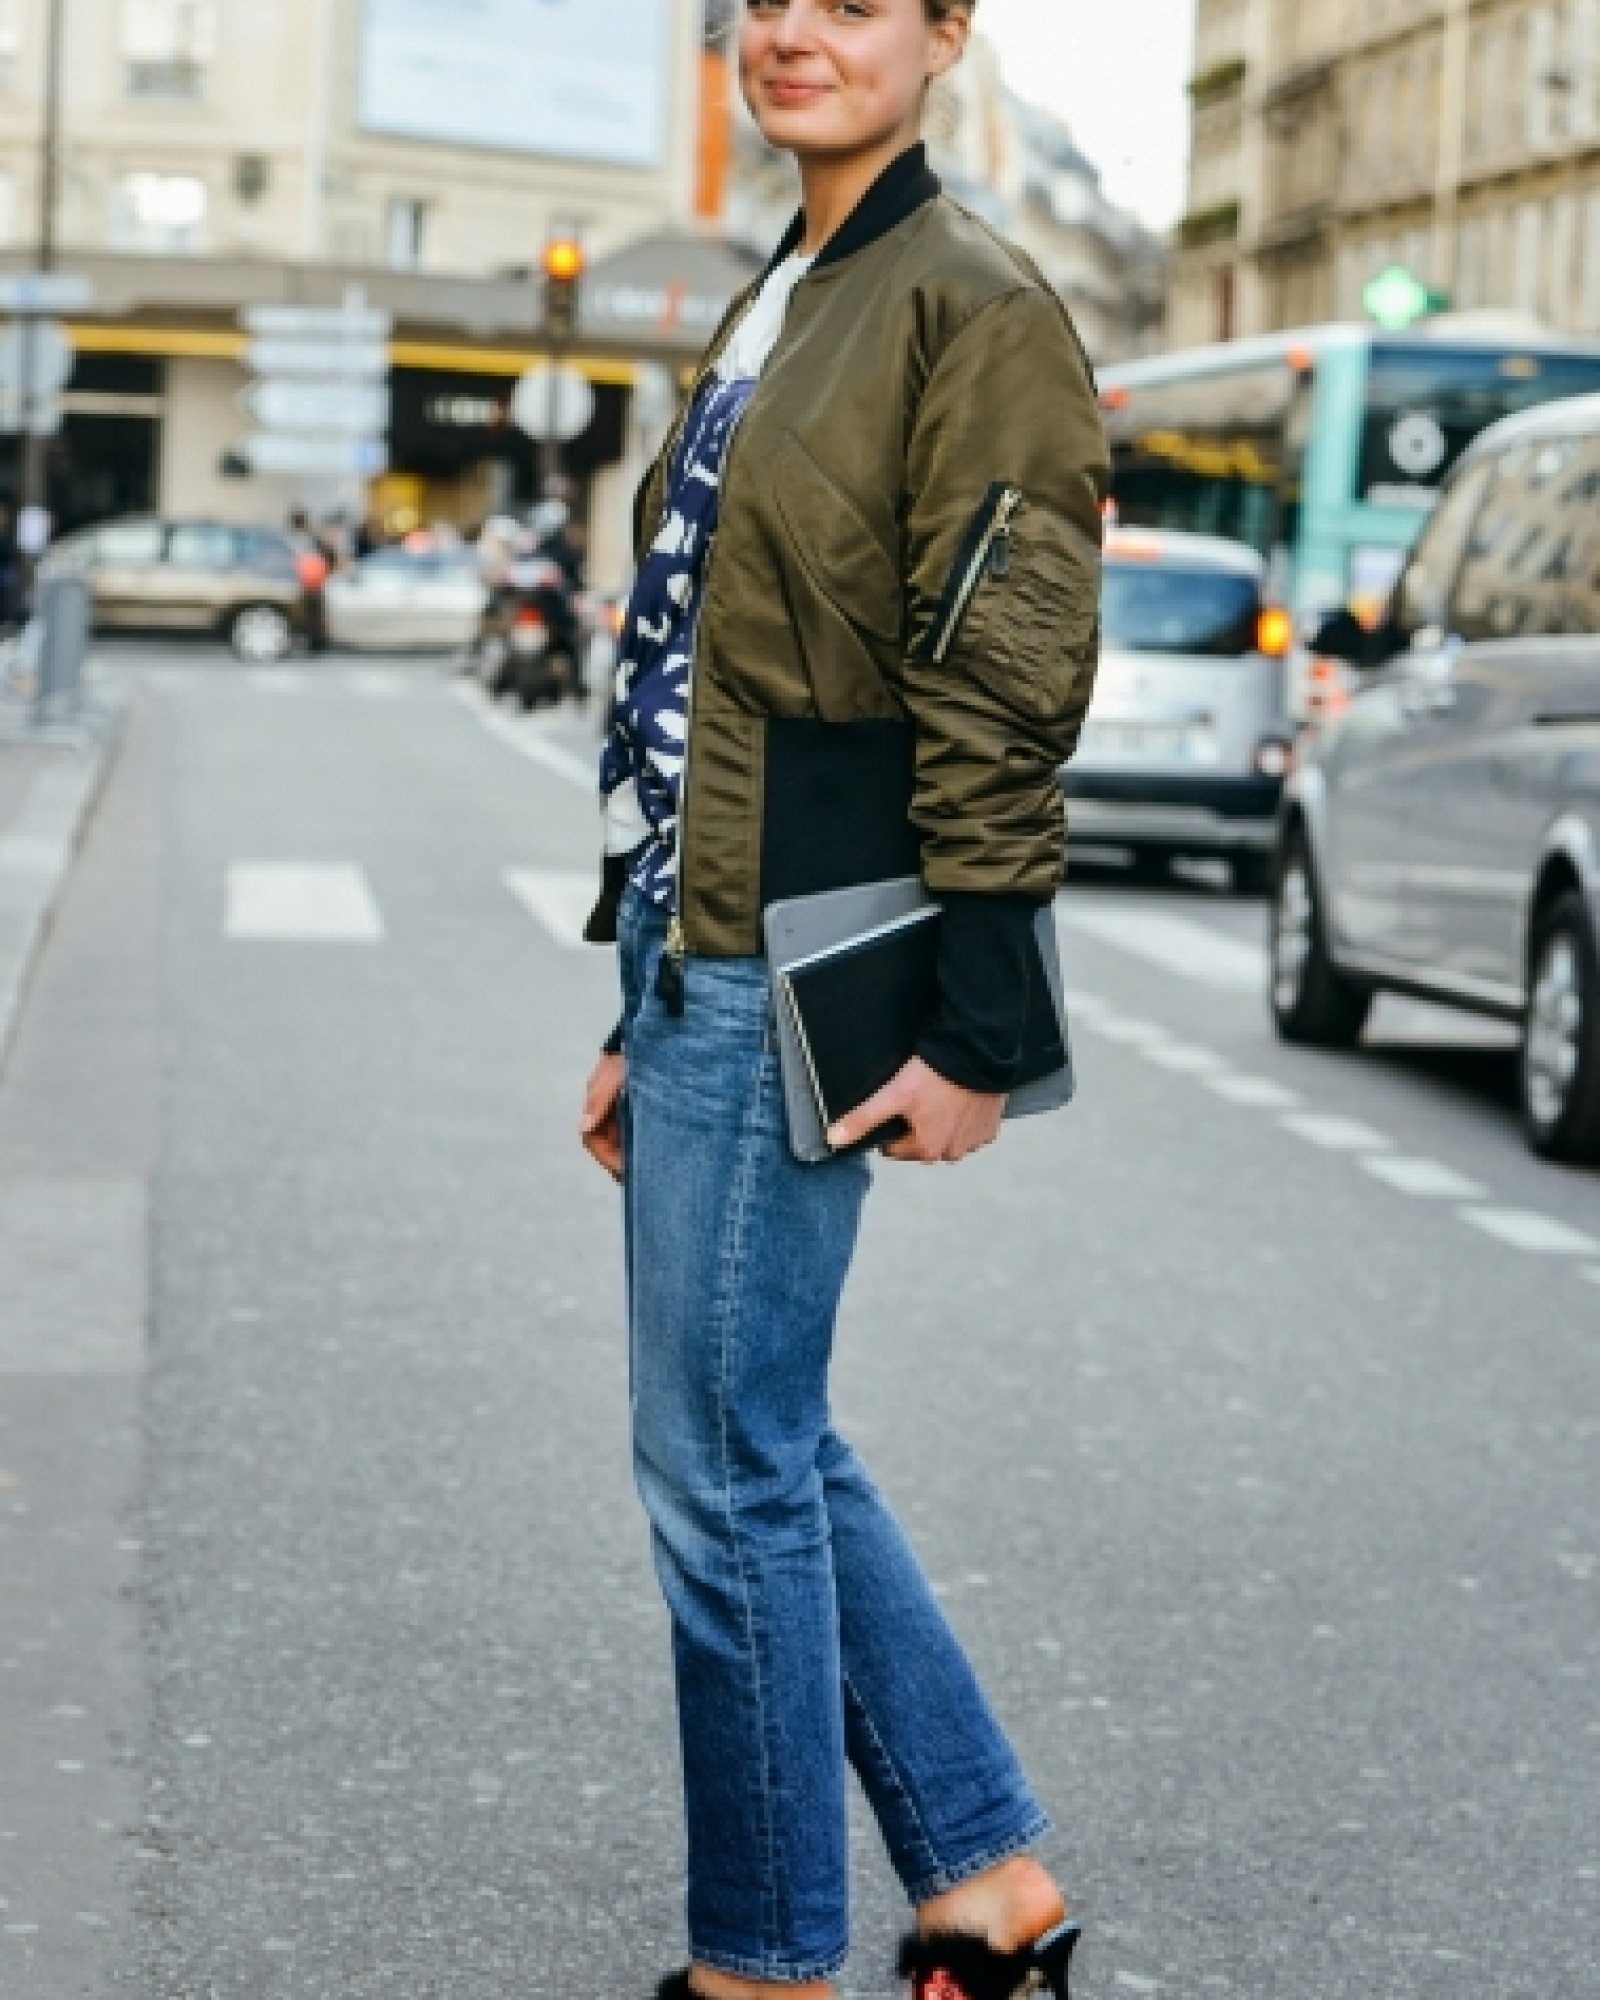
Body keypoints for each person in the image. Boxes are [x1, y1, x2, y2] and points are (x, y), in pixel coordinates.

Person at [578, 4, 1108, 1996]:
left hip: (796, 944)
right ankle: (987, 1885)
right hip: (698, 935)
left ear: (948, 33)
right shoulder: (781, 291)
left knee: (722, 1469)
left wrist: (981, 1023)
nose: (791, 32)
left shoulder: (972, 304)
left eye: (857, 1)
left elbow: (1003, 678)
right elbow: (687, 666)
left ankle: (765, 1965)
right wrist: (634, 983)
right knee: (763, 1439)